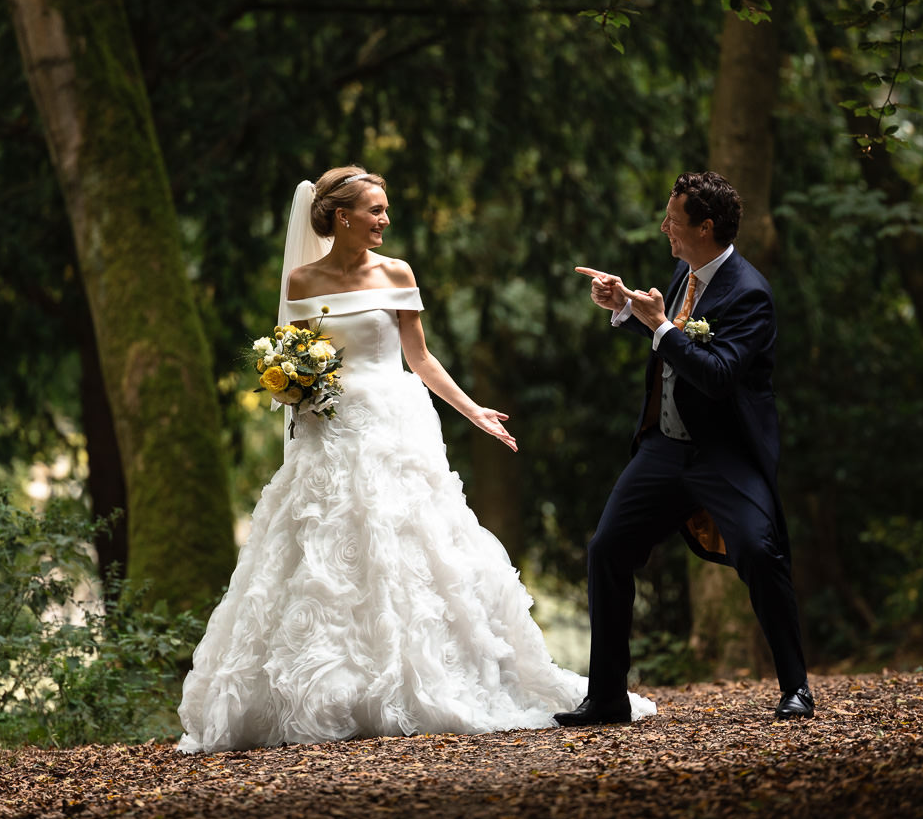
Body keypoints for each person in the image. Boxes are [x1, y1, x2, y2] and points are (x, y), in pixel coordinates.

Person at [177, 166, 654, 753]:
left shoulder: (396, 272)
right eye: (374, 210)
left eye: (385, 210)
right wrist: (296, 389)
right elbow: (299, 353)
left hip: (394, 423)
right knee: (323, 546)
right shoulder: (302, 280)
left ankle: (415, 676)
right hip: (330, 427)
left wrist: (474, 410)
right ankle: (330, 685)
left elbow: (420, 360)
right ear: (342, 216)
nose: (384, 220)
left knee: (411, 543)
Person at [558, 171, 814, 726]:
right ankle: (607, 698)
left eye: (672, 221)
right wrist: (625, 307)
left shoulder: (750, 294)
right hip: (664, 449)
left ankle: (796, 687)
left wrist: (660, 327)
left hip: (724, 455)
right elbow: (669, 341)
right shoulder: (685, 273)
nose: (663, 228)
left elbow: (718, 375)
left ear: (705, 227)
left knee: (759, 551)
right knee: (607, 549)